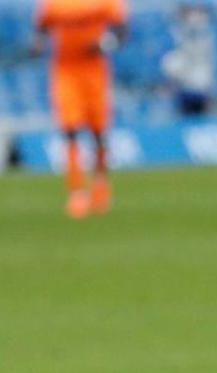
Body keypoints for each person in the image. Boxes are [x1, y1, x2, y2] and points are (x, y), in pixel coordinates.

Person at [33, 0, 127, 218]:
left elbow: (121, 32)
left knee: (99, 134)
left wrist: (104, 44)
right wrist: (38, 43)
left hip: (94, 72)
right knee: (69, 130)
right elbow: (42, 27)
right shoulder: (53, 4)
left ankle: (100, 183)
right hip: (65, 72)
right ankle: (76, 192)